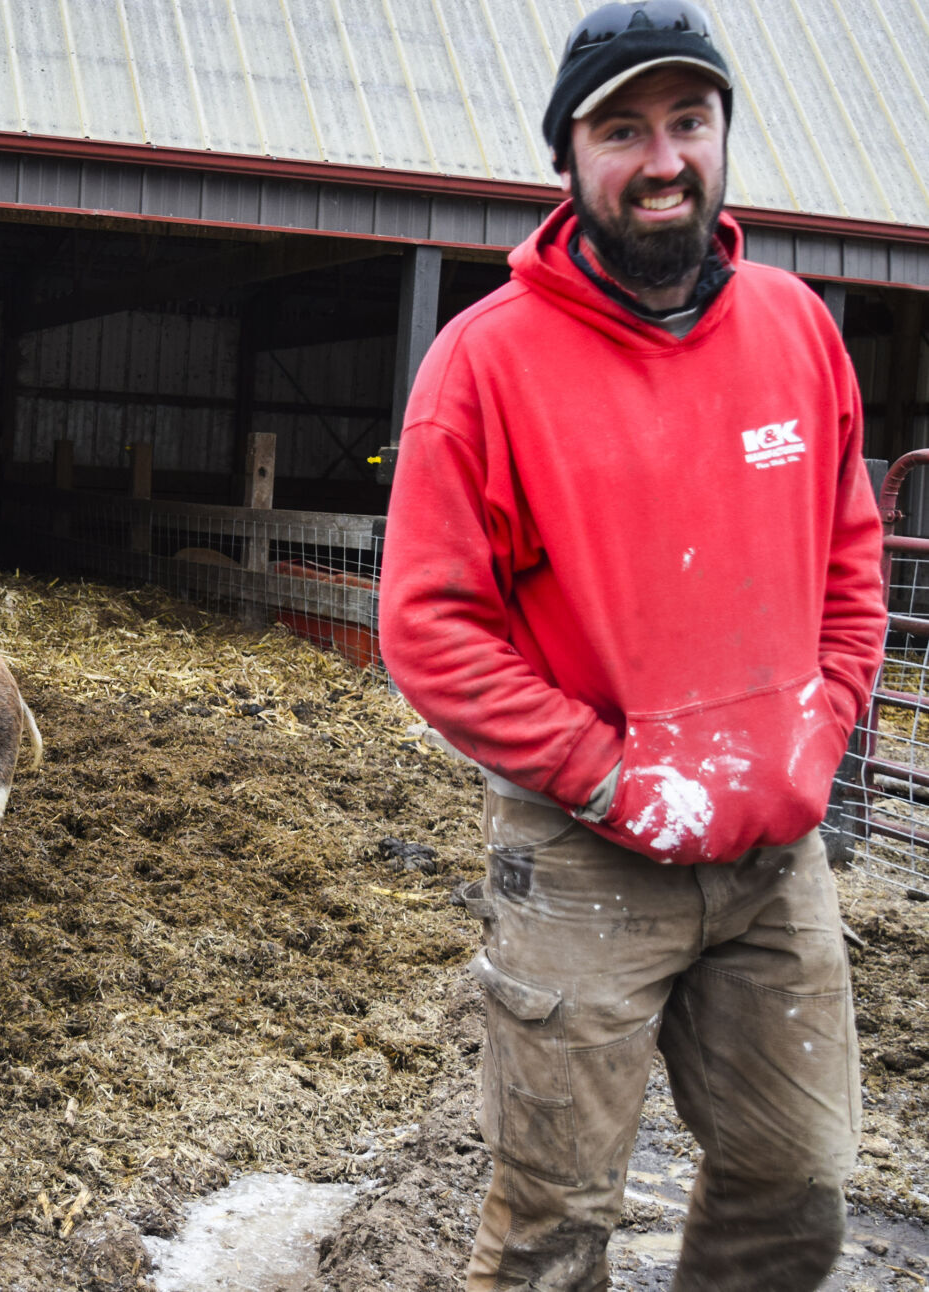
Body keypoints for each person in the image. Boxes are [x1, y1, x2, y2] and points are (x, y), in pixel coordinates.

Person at [376, 2, 888, 1288]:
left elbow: (848, 559)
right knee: (554, 1211)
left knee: (796, 1179)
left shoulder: (795, 329)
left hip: (777, 855)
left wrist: (815, 732)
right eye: (621, 129)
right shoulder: (483, 366)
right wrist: (607, 774)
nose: (661, 157)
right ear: (567, 161)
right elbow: (428, 624)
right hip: (583, 849)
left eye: (687, 120)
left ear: (719, 140)